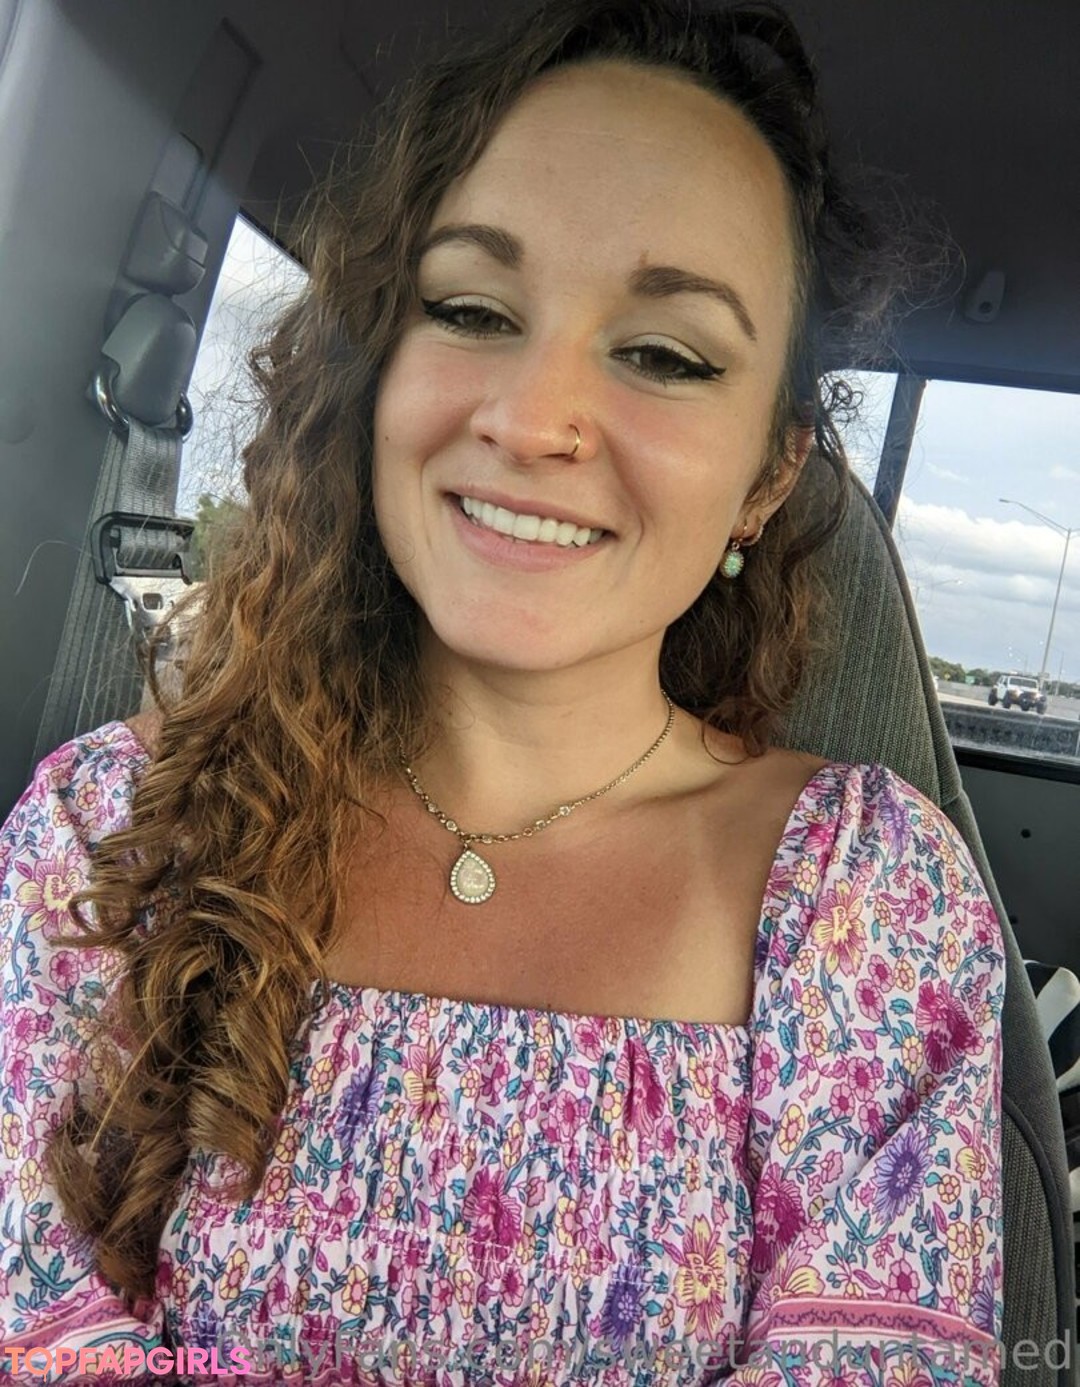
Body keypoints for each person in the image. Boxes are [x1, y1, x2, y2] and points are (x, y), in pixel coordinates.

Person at [0, 0, 1003, 1382]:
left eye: (665, 353)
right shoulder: (106, 836)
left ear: (768, 475)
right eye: (470, 310)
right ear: (375, 376)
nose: (531, 421)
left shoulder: (868, 895)